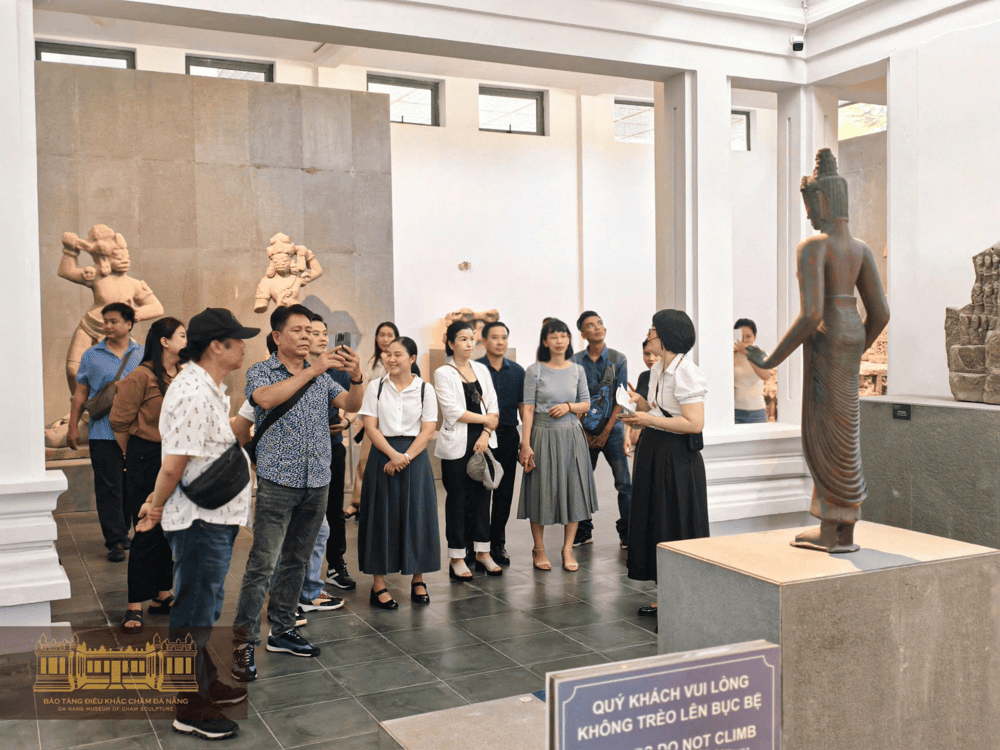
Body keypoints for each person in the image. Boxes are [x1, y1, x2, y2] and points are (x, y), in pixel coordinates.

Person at [747, 148, 889, 553]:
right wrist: (856, 344)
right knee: (846, 432)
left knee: (823, 432)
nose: (808, 214)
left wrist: (769, 359)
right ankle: (845, 527)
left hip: (827, 335)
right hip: (850, 335)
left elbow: (811, 315)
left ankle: (832, 529)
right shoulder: (859, 249)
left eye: (810, 205)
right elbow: (880, 312)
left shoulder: (815, 248)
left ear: (823, 201)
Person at [134, 307, 259, 741]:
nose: (244, 345)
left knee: (202, 604)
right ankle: (188, 705)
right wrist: (153, 506)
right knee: (194, 610)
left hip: (214, 516)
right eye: (237, 339)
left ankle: (203, 680)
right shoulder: (191, 390)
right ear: (215, 347)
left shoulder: (208, 387)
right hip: (198, 521)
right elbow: (174, 465)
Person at [232, 304, 364, 683]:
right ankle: (242, 643)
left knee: (297, 559)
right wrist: (317, 368)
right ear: (277, 337)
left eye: (311, 330)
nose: (307, 336)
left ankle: (283, 629)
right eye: (298, 330)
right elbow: (267, 400)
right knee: (262, 565)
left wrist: (356, 377)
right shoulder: (262, 371)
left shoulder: (322, 377)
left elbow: (351, 405)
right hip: (277, 481)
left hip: (317, 480)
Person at [621, 310, 709, 619]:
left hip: (677, 456)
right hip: (654, 450)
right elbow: (659, 410)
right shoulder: (659, 369)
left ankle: (684, 595)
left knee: (676, 521)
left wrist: (647, 418)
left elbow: (694, 423)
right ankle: (666, 593)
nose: (649, 334)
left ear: (668, 335)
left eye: (653, 330)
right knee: (657, 520)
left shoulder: (686, 372)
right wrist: (639, 406)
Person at [109, 317, 186, 632]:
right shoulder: (141, 376)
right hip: (145, 455)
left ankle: (162, 594)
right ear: (165, 341)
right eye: (182, 335)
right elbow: (118, 421)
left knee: (170, 526)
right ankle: (133, 605)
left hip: (173, 456)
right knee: (145, 529)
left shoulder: (182, 375)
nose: (188, 339)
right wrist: (133, 455)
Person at [358, 336, 440, 608]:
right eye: (387, 354)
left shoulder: (425, 389)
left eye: (398, 354)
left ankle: (418, 579)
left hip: (414, 457)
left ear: (412, 359)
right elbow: (370, 427)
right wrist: (393, 455)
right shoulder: (375, 387)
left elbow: (428, 430)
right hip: (382, 456)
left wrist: (404, 456)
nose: (391, 359)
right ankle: (378, 585)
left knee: (417, 516)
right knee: (379, 518)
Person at [517, 319, 599, 572]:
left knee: (573, 490)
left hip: (572, 435)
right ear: (545, 341)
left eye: (564, 336)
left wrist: (569, 407)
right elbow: (528, 409)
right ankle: (539, 548)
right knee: (540, 490)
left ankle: (567, 549)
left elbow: (586, 403)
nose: (560, 340)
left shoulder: (577, 371)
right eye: (554, 336)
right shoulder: (534, 370)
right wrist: (526, 443)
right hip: (542, 435)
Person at [67, 302, 143, 562]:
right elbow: (80, 394)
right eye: (105, 321)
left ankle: (124, 532)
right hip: (102, 432)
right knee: (108, 487)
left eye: (113, 321)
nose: (107, 326)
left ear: (129, 324)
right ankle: (115, 541)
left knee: (131, 486)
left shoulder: (142, 354)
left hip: (136, 432)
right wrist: (72, 427)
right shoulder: (91, 355)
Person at [435, 320, 502, 580]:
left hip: (484, 440)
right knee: (458, 501)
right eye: (463, 339)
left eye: (471, 338)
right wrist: (486, 422)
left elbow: (493, 406)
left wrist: (486, 433)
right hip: (457, 445)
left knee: (483, 498)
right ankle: (457, 556)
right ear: (450, 343)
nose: (469, 343)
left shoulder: (482, 370)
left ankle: (483, 552)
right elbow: (452, 412)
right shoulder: (444, 373)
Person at [572, 311, 631, 549]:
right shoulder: (575, 362)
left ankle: (627, 532)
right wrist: (584, 432)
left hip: (613, 430)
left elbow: (621, 398)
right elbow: (572, 397)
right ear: (583, 333)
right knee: (581, 481)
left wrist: (606, 432)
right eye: (590, 325)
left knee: (624, 483)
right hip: (582, 430)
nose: (597, 327)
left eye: (600, 323)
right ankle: (583, 531)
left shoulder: (618, 359)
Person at [477, 321, 525, 567]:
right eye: (494, 337)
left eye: (504, 337)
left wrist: (525, 441)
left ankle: (498, 543)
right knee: (480, 493)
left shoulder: (517, 371)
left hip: (507, 434)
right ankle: (476, 544)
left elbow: (523, 408)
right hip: (480, 436)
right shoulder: (474, 369)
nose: (500, 342)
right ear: (484, 341)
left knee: (504, 493)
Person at [346, 321, 400, 519]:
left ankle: (378, 506)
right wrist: (359, 418)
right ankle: (356, 503)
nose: (385, 339)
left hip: (393, 421)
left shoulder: (401, 360)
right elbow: (365, 390)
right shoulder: (371, 362)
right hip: (372, 421)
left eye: (390, 335)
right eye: (382, 335)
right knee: (364, 462)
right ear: (377, 338)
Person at [624, 337, 661, 458]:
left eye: (656, 354)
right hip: (643, 437)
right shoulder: (644, 376)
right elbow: (636, 409)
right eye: (647, 354)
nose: (651, 358)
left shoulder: (670, 378)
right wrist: (627, 436)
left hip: (661, 435)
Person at [733, 318, 772, 423]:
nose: (744, 340)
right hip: (735, 411)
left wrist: (747, 354)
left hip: (757, 411)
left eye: (748, 336)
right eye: (740, 337)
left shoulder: (761, 354)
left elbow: (766, 375)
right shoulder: (731, 355)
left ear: (754, 337)